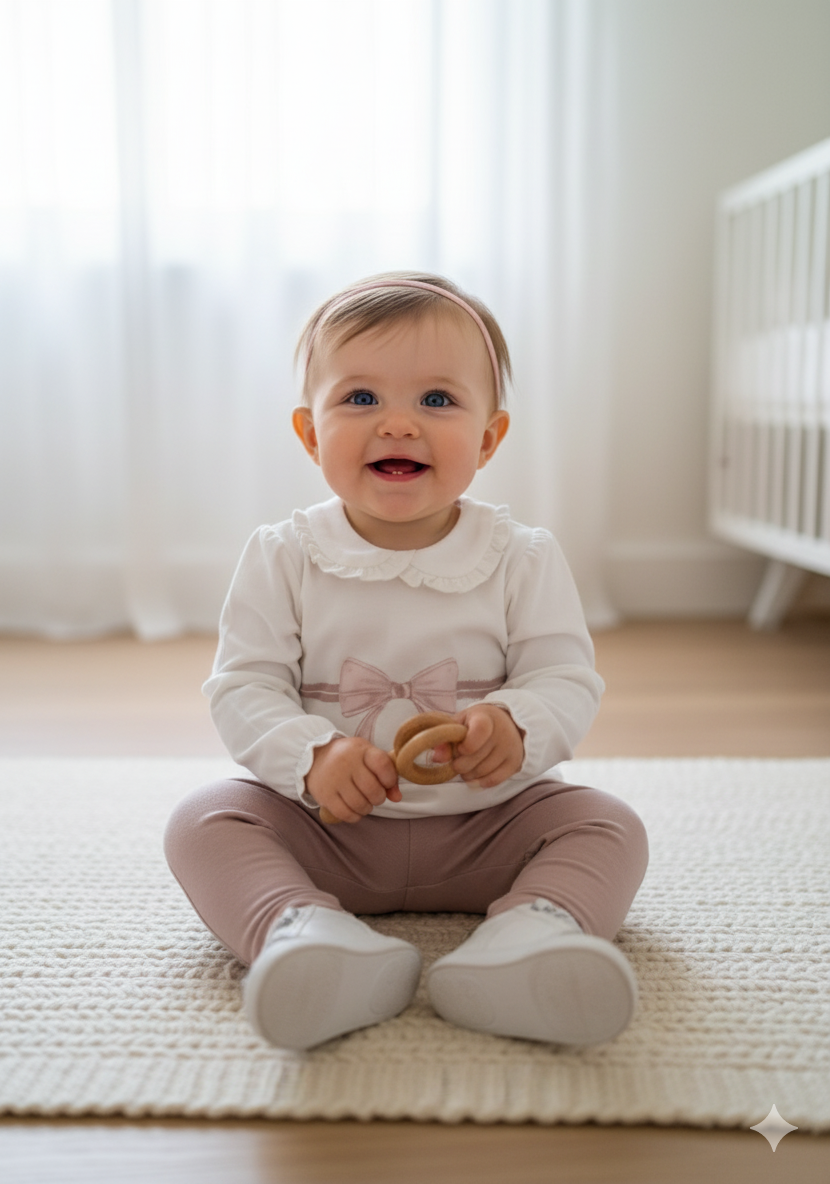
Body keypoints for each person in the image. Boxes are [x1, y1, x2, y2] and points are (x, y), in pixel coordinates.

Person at [164, 271, 649, 1052]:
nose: (396, 424)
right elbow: (244, 686)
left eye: (436, 400)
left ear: (489, 438)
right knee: (202, 821)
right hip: (329, 830)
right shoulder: (283, 555)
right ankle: (304, 933)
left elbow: (565, 677)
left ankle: (529, 938)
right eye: (360, 400)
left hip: (487, 827)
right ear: (310, 432)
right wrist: (312, 754)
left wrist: (516, 727)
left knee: (606, 824)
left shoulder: (520, 558)